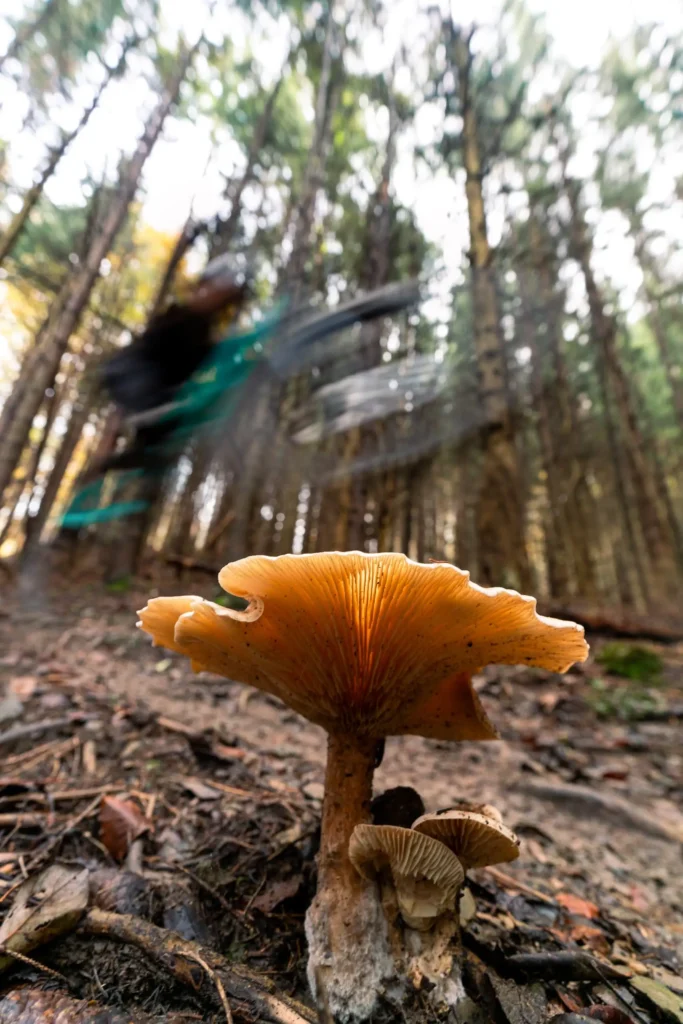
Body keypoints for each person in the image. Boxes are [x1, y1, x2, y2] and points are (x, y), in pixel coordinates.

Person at [86, 256, 250, 481]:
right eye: (215, 290)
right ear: (205, 287)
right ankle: (129, 450)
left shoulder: (203, 335)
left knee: (170, 424)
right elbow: (139, 359)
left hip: (155, 395)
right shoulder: (179, 317)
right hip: (131, 377)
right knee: (156, 399)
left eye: (224, 298)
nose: (217, 300)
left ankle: (139, 459)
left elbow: (205, 364)